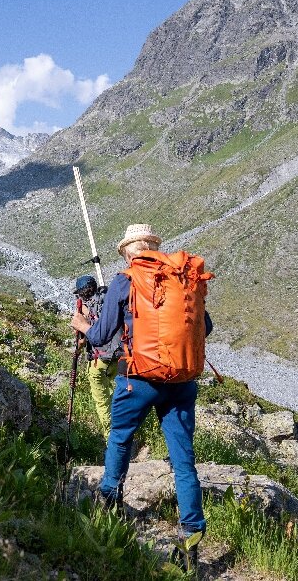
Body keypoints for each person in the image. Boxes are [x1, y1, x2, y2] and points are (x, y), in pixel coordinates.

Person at [70, 223, 207, 574]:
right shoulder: (180, 277)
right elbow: (205, 327)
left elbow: (101, 336)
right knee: (183, 460)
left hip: (138, 379)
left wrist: (82, 324)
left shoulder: (125, 279)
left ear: (130, 252)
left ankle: (109, 504)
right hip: (181, 380)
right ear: (153, 247)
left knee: (119, 438)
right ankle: (191, 542)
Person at [72, 275, 121, 439]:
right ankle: (125, 428)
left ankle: (111, 438)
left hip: (99, 360)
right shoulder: (109, 300)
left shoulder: (84, 309)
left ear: (80, 294)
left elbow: (81, 340)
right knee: (118, 393)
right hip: (120, 356)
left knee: (102, 401)